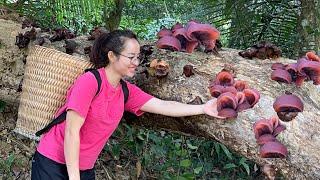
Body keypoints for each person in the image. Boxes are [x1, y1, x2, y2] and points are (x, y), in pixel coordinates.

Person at [31, 29, 224, 180]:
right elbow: (72, 132)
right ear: (112, 56)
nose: (136, 62)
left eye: (138, 57)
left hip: (84, 168)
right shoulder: (90, 81)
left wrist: (202, 108)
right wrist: (74, 178)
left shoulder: (125, 91)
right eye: (131, 57)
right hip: (53, 161)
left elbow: (163, 106)